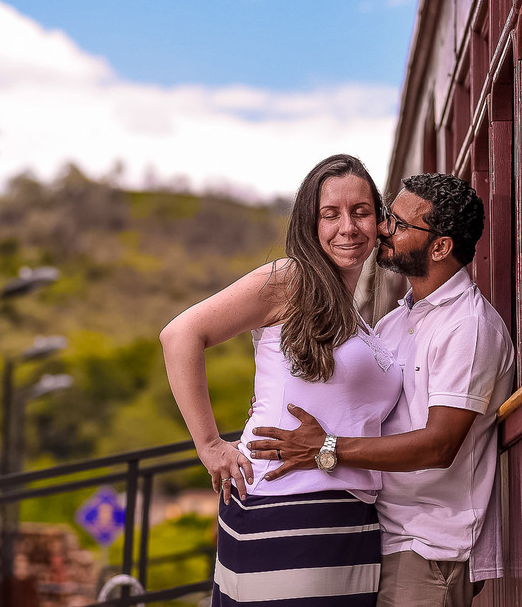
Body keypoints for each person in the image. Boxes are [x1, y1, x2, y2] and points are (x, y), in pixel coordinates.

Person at [246, 173, 515, 607]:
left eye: (400, 224)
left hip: (429, 548)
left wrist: (325, 448)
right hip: (379, 534)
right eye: (388, 217)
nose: (384, 229)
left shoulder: (469, 328)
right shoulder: (395, 321)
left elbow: (439, 445)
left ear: (441, 247)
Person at [161, 154, 402, 606]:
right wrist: (210, 445)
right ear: (309, 224)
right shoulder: (291, 279)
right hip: (287, 506)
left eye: (361, 211)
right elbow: (180, 335)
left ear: (380, 221)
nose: (347, 227)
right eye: (330, 214)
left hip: (349, 518)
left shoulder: (359, 317)